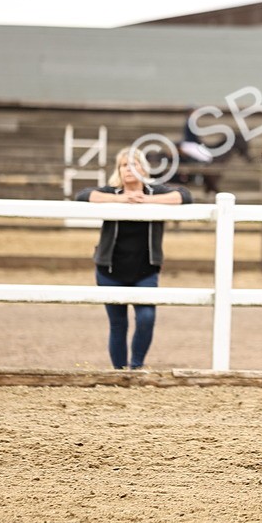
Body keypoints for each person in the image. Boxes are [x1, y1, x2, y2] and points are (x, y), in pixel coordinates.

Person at [76, 148, 193, 369]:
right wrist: (118, 200)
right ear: (118, 170)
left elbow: (185, 196)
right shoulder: (111, 191)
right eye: (123, 165)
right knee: (118, 324)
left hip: (145, 271)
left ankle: (136, 366)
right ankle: (120, 372)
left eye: (134, 164)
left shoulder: (154, 191)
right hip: (110, 270)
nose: (129, 169)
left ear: (143, 168)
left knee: (147, 318)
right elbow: (82, 195)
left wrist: (148, 201)